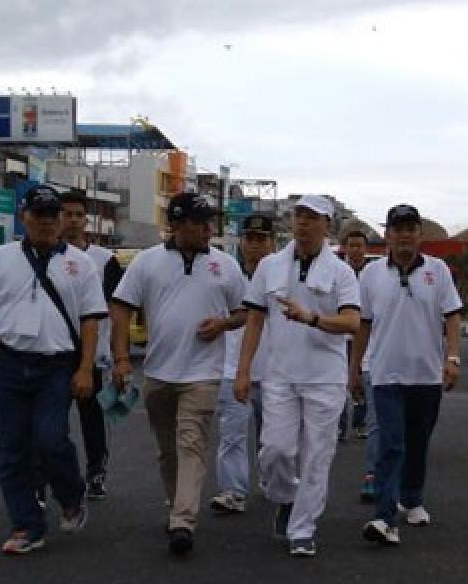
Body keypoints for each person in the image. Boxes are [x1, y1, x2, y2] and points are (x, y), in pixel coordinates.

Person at [0, 185, 107, 555]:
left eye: (52, 215)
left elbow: (91, 320)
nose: (46, 222)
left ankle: (72, 494)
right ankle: (26, 525)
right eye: (38, 215)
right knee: (11, 451)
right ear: (23, 217)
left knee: (50, 439)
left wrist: (86, 370)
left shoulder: (82, 264)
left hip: (57, 365)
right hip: (10, 362)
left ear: (61, 219)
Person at [110, 193, 246, 555]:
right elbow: (121, 308)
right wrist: (122, 358)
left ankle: (183, 521)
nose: (208, 230)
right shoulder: (147, 263)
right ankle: (177, 507)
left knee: (191, 443)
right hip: (158, 371)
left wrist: (223, 323)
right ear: (177, 224)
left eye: (210, 222)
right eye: (201, 222)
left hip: (203, 373)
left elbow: (245, 312)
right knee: (167, 449)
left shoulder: (225, 266)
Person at [236, 194, 361, 558]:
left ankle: (303, 529)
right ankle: (286, 499)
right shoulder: (270, 266)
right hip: (280, 376)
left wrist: (314, 319)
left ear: (328, 225)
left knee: (316, 456)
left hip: (325, 377)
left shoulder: (341, 272)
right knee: (275, 450)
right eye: (298, 216)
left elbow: (352, 321)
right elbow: (255, 319)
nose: (303, 223)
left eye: (312, 217)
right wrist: (243, 371)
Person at [353, 204, 462, 546]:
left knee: (417, 443)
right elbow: (363, 324)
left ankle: (412, 498)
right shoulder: (370, 274)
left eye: (410, 228)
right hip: (385, 374)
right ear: (387, 234)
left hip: (427, 374)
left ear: (419, 234)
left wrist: (454, 357)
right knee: (392, 444)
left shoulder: (438, 271)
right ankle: (385, 518)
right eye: (397, 228)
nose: (404, 235)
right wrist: (354, 367)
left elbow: (453, 316)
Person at [59, 189, 124, 499]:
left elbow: (115, 311)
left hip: (92, 354)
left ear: (87, 220)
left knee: (93, 417)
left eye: (77, 215)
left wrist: (115, 355)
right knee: (50, 421)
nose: (72, 220)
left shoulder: (104, 260)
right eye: (66, 214)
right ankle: (50, 475)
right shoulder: (44, 256)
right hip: (54, 351)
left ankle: (96, 470)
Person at [210, 214, 274, 515]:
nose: (254, 244)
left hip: (275, 372)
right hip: (233, 369)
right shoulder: (229, 276)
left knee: (273, 441)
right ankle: (233, 491)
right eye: (250, 238)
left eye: (261, 238)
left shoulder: (281, 278)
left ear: (272, 242)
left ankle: (273, 482)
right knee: (232, 434)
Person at [339, 230, 372, 442]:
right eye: (351, 245)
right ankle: (340, 426)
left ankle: (360, 423)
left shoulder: (372, 273)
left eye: (359, 245)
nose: (355, 250)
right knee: (339, 382)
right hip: (341, 337)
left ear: (365, 248)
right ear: (345, 248)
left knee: (362, 379)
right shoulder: (338, 272)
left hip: (365, 336)